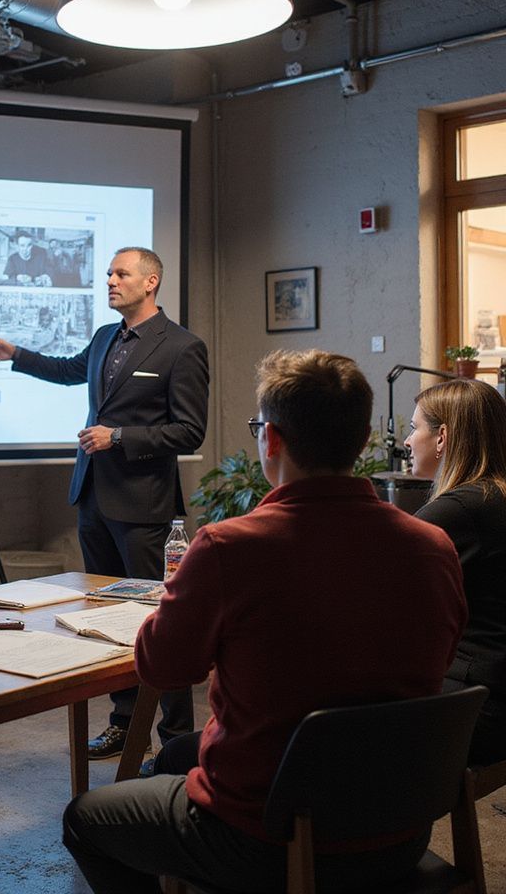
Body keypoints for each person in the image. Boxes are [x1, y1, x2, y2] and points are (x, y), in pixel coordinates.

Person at [61, 350, 467, 894]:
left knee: (85, 817)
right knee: (177, 758)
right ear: (363, 438)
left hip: (266, 836)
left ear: (270, 439)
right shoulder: (433, 546)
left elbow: (161, 665)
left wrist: (178, 601)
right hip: (398, 831)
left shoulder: (232, 546)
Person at [0, 246, 209, 759]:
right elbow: (68, 371)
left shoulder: (182, 347)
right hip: (94, 500)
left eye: (121, 273)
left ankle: (176, 741)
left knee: (156, 622)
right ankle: (125, 724)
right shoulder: (106, 337)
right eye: (107, 273)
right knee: (103, 617)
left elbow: (190, 431)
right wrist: (18, 355)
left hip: (143, 507)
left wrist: (118, 437)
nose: (109, 280)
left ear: (151, 282)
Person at [406, 377, 506, 764]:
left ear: (443, 436)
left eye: (415, 428)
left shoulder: (459, 509)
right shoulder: (494, 496)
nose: (408, 440)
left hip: (479, 707)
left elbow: (387, 592)